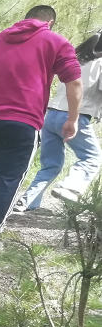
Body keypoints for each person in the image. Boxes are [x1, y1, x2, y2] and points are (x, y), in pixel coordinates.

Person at [0, 5, 82, 247]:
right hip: (24, 122)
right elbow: (74, 83)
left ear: (25, 19)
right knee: (9, 178)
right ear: (50, 23)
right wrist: (73, 119)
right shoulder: (55, 41)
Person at [14, 32, 102, 211]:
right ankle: (69, 187)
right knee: (92, 158)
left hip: (51, 115)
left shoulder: (77, 59)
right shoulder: (100, 63)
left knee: (51, 164)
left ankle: (27, 201)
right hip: (73, 117)